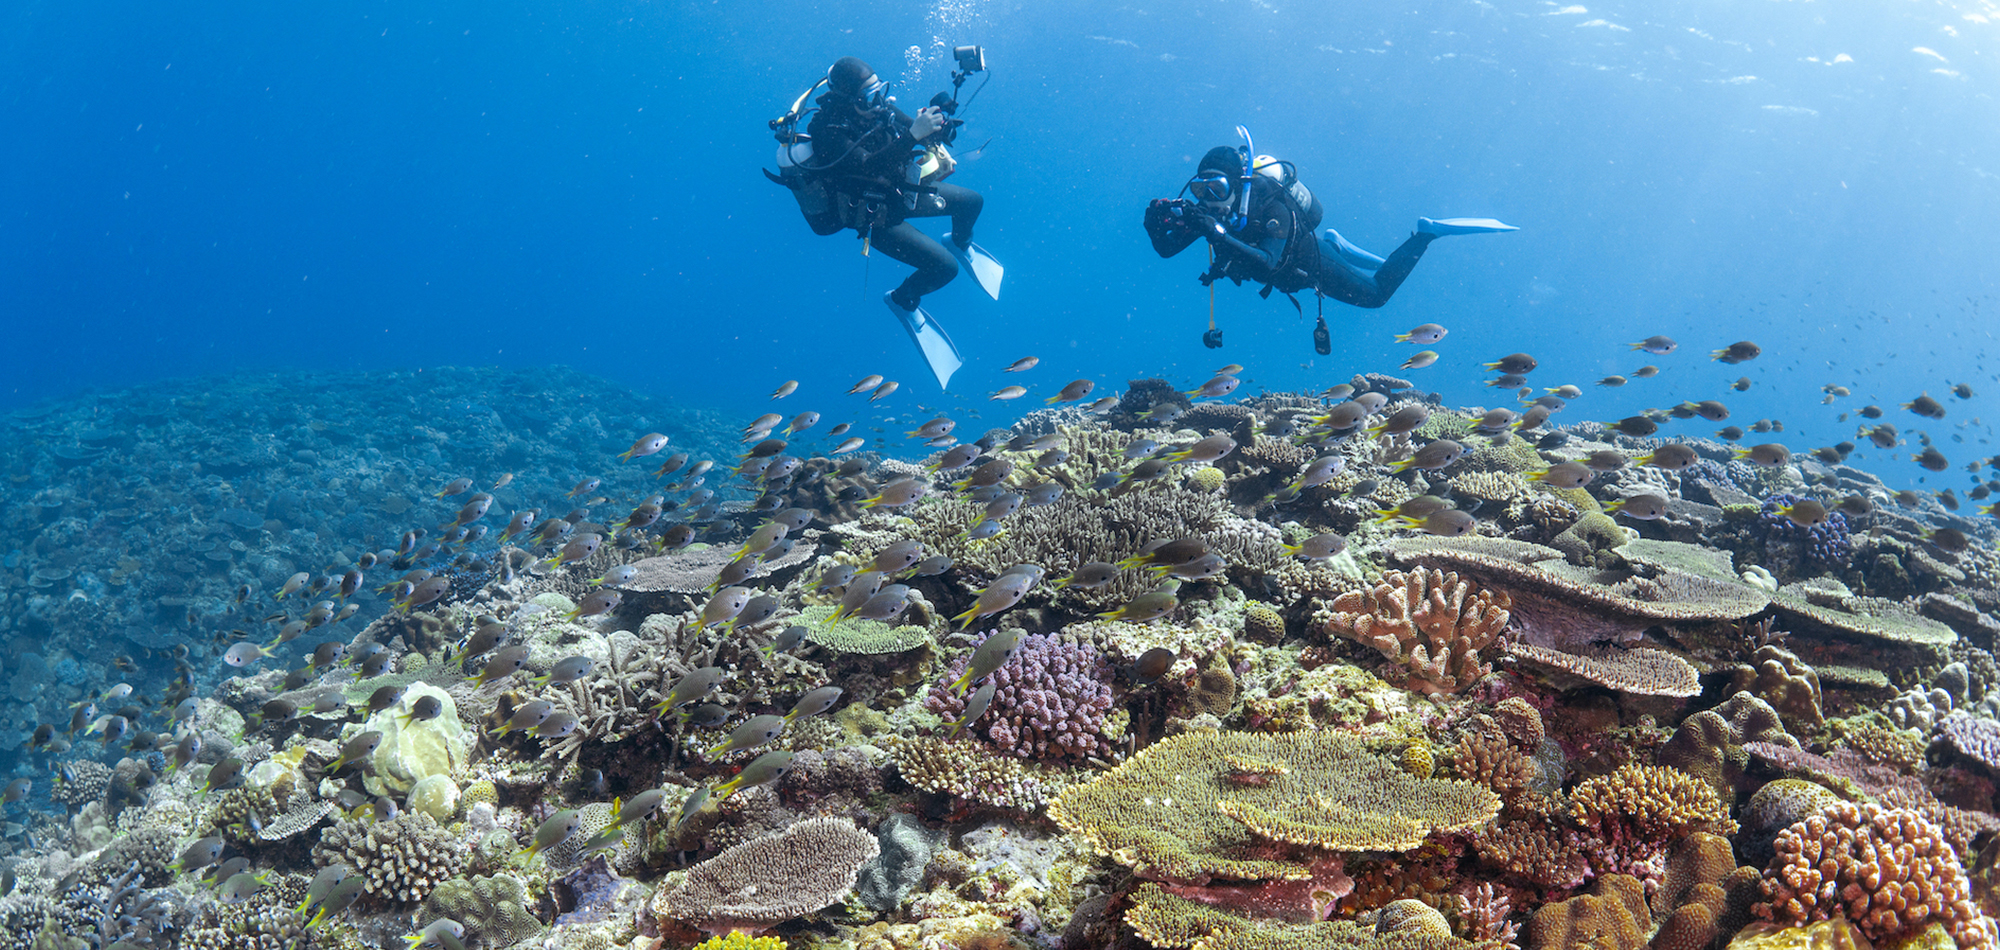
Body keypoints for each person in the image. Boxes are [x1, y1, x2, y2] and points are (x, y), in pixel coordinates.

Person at [1143, 143, 1516, 351]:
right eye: (1200, 189)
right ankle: (1339, 243)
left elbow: (1270, 264)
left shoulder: (1271, 205)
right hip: (1295, 272)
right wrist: (1152, 226)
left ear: (1237, 186)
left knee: (1376, 294)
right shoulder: (1210, 216)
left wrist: (1218, 235)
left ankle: (1426, 234)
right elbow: (1166, 251)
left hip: (1310, 262)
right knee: (1369, 283)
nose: (1208, 198)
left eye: (1217, 189)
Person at [767, 55, 1000, 388]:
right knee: (944, 270)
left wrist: (937, 129)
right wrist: (912, 137)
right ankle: (903, 300)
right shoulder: (827, 128)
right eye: (869, 94)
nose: (878, 99)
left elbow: (911, 131)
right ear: (849, 96)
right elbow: (866, 167)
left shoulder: (878, 109)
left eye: (879, 90)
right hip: (874, 215)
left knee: (972, 203)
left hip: (902, 190)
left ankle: (961, 242)